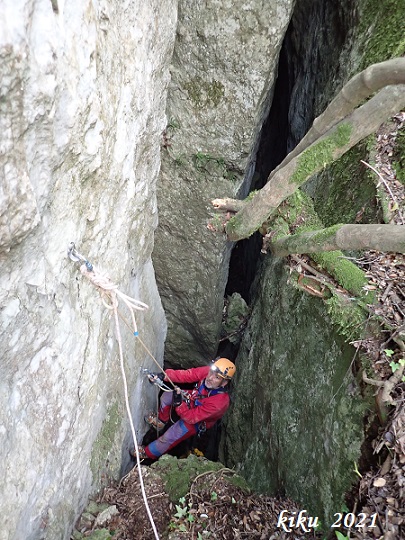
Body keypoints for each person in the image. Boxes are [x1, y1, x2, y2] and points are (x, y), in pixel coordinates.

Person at [132, 358, 236, 461]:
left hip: (197, 420)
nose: (210, 378)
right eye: (211, 372)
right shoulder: (208, 372)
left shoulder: (219, 403)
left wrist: (179, 404)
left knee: (169, 436)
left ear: (224, 383)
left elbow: (191, 418)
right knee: (166, 397)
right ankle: (161, 421)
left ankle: (147, 453)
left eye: (217, 377)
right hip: (193, 398)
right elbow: (188, 375)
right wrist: (165, 376)